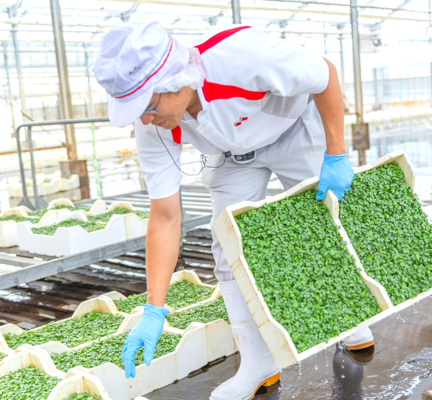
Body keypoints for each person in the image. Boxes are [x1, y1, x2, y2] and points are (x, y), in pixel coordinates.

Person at [93, 21, 375, 400]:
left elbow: (324, 74)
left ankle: (351, 316)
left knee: (321, 222)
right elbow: (165, 216)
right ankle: (258, 365)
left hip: (294, 129)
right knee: (227, 245)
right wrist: (153, 308)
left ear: (175, 82)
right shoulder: (154, 124)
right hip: (230, 156)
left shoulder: (241, 56)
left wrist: (336, 153)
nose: (144, 118)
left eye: (147, 105)